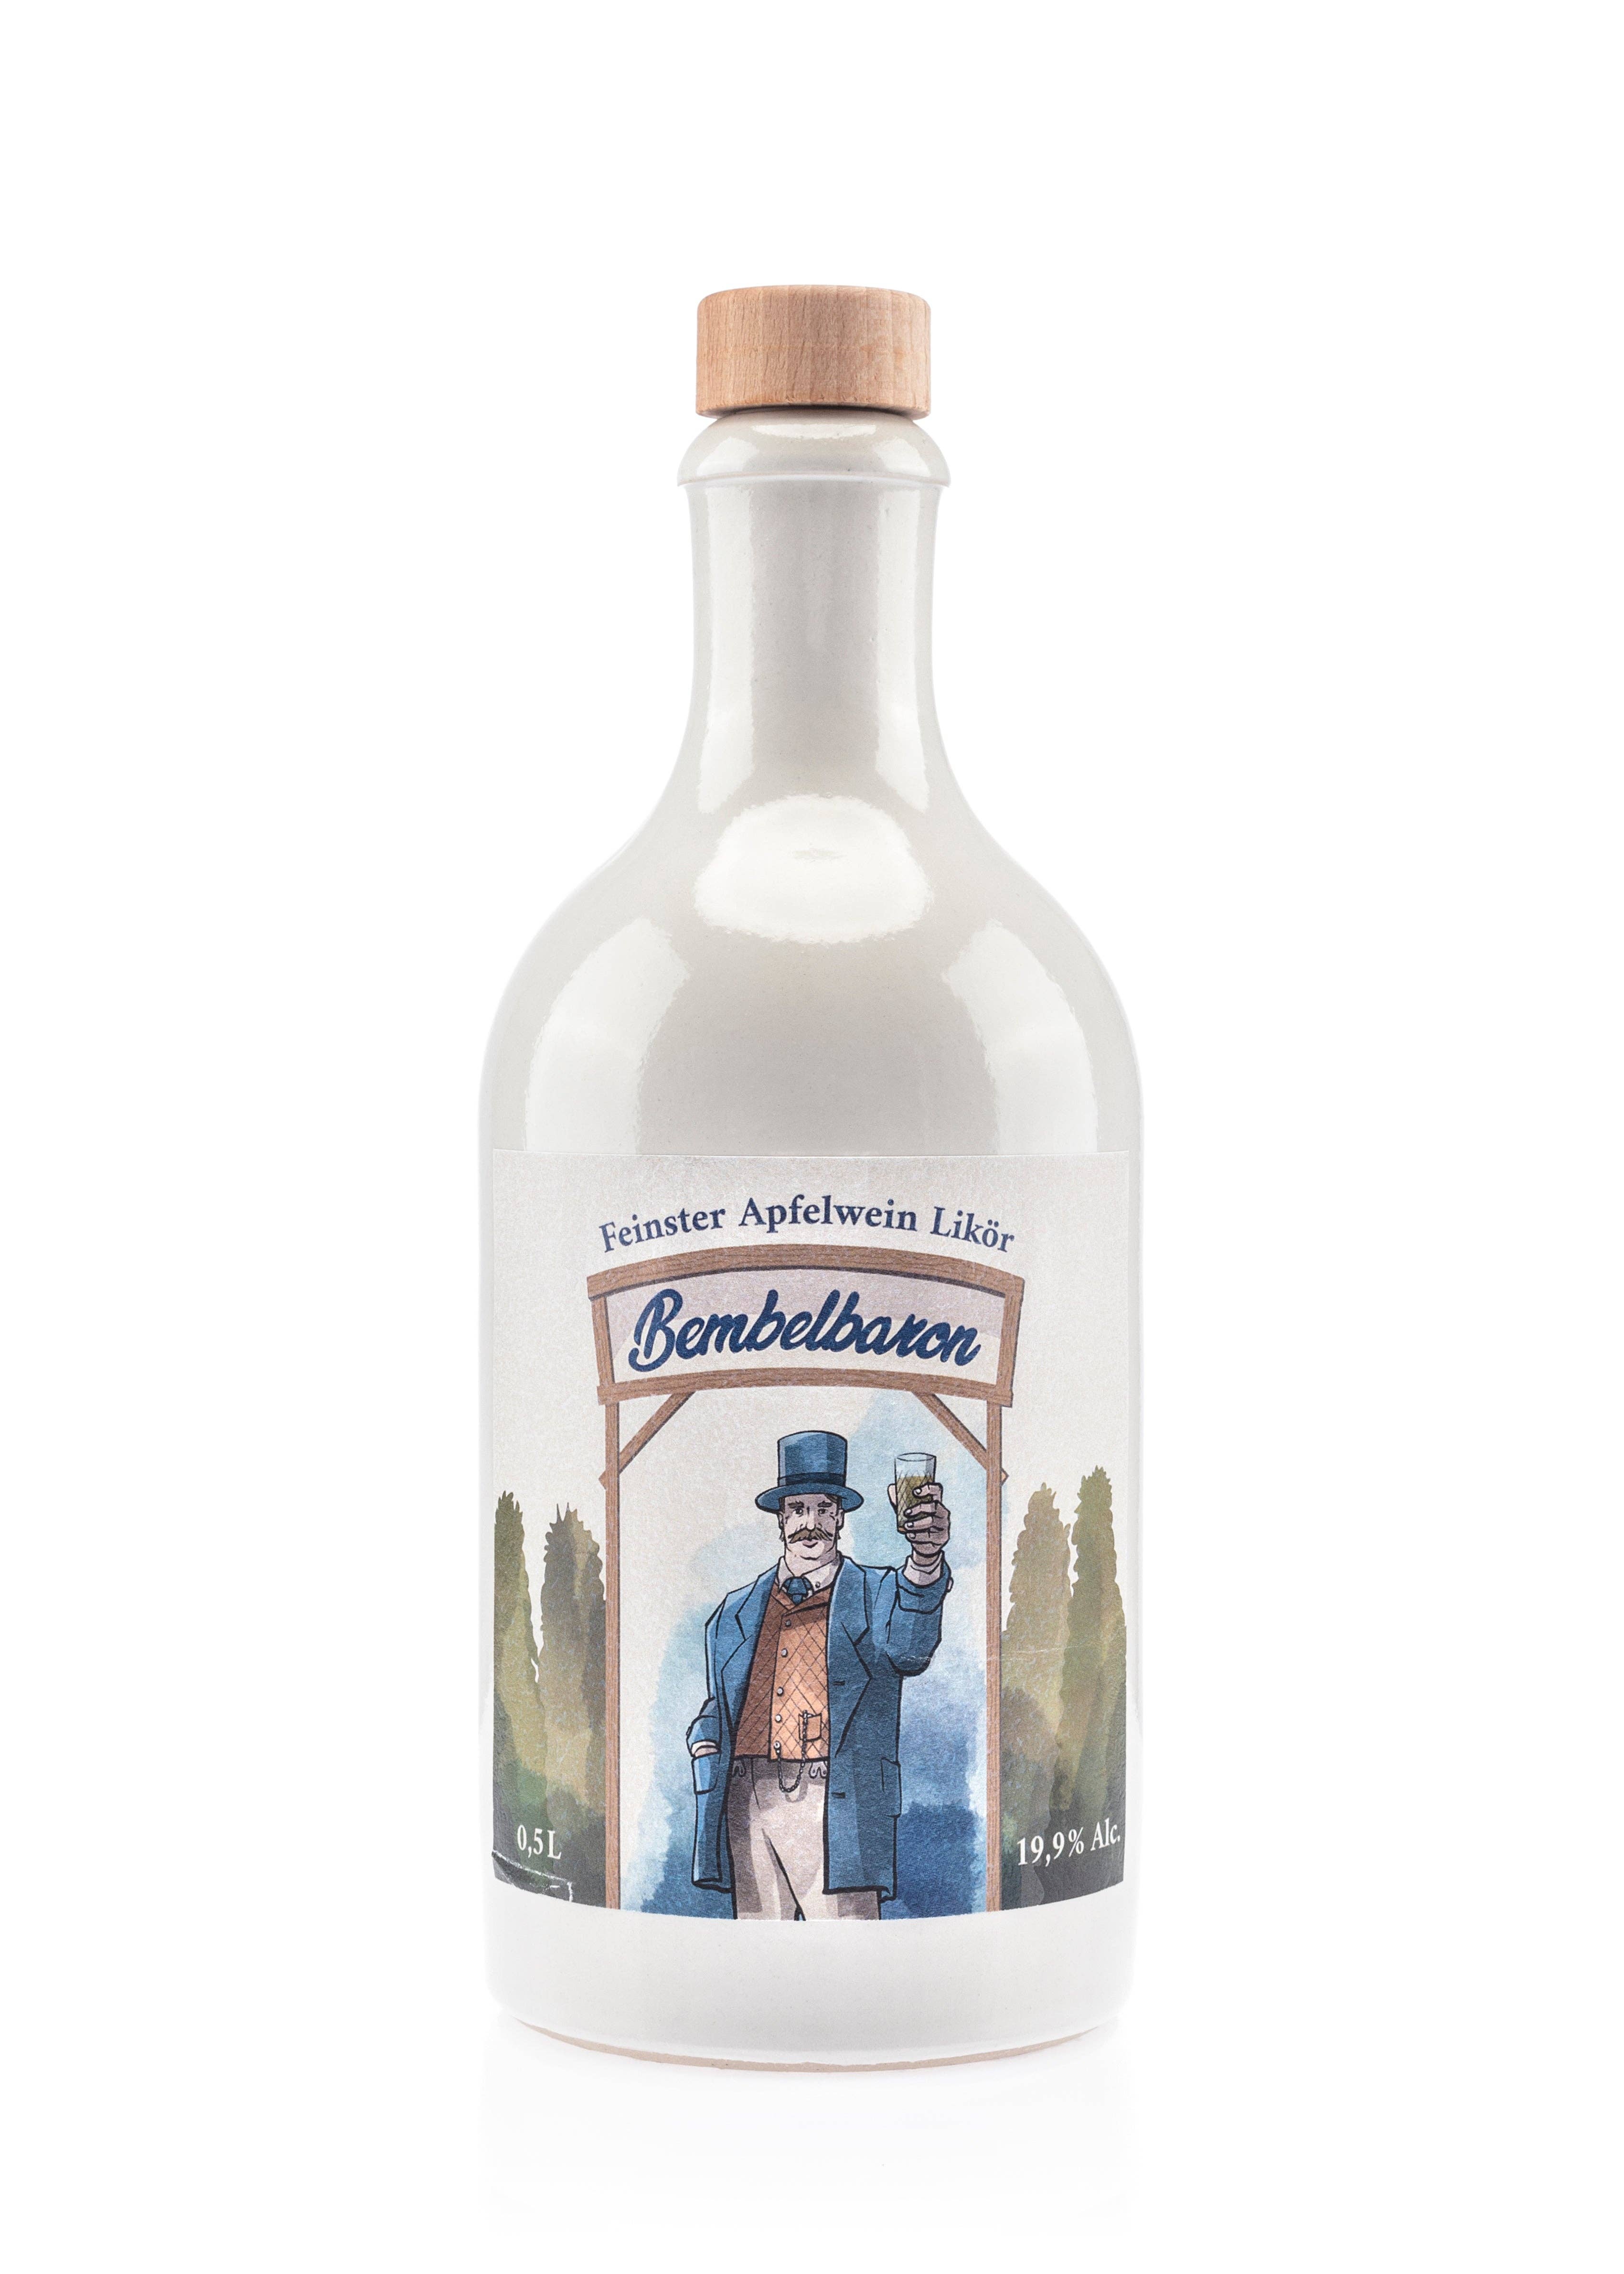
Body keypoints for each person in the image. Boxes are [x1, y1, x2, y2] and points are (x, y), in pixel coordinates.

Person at [688, 1429, 951, 1920]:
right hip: (746, 1799)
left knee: (850, 1950)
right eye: (798, 1509)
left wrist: (925, 1559)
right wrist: (705, 1741)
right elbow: (720, 1703)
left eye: (824, 1509)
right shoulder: (733, 1611)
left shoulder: (878, 1594)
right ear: (781, 1518)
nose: (811, 1523)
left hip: (835, 1798)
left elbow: (911, 1649)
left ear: (840, 1517)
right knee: (758, 1948)